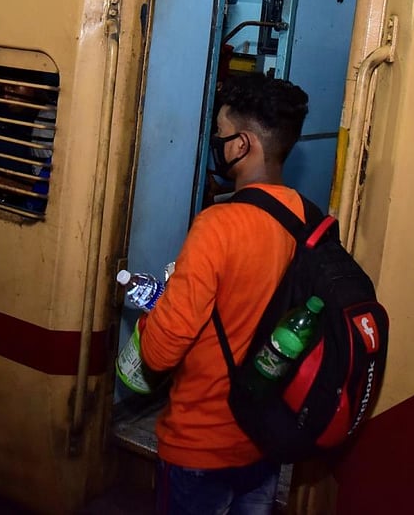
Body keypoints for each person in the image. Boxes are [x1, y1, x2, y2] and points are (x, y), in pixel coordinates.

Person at [139, 73, 309, 515]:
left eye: (220, 134)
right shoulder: (309, 219)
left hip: (201, 444)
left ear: (242, 144)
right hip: (264, 438)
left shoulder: (217, 226)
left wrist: (149, 318)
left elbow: (158, 353)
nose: (217, 143)